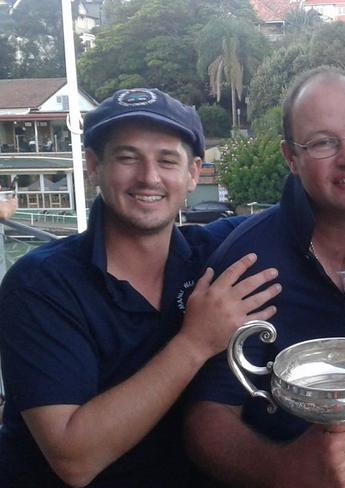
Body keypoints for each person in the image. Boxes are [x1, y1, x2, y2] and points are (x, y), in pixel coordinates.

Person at [0, 88, 281, 487]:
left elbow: (318, 205)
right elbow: (73, 459)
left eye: (167, 160)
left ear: (193, 174)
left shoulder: (213, 252)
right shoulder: (41, 285)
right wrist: (196, 342)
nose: (149, 176)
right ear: (94, 166)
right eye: (127, 157)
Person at [184, 67, 345, 488]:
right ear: (290, 159)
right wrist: (283, 468)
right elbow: (203, 419)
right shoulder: (250, 262)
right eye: (322, 143)